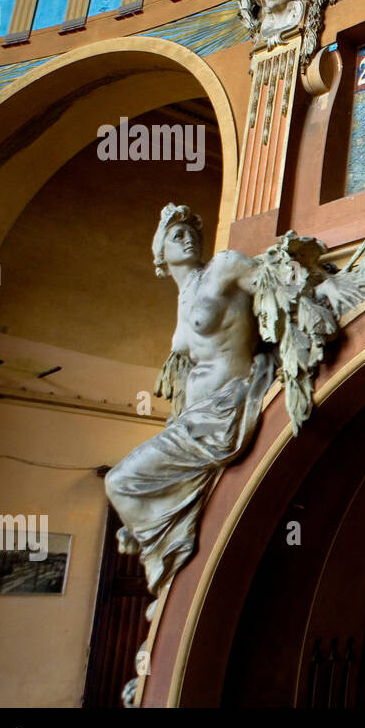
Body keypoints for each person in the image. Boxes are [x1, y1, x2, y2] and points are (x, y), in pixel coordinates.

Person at [105, 205, 274, 615]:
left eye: (191, 230)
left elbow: (277, 290)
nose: (187, 236)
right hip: (192, 419)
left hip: (225, 409)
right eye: (175, 232)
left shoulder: (225, 267)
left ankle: (166, 566)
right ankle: (169, 569)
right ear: (159, 254)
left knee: (119, 482)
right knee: (121, 483)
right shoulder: (183, 299)